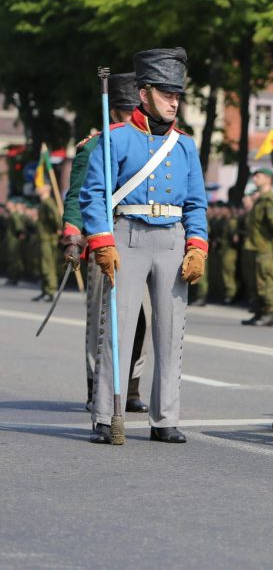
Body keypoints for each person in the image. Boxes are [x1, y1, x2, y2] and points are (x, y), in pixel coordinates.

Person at [81, 47, 208, 444]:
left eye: (178, 95)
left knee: (171, 334)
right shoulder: (116, 137)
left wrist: (197, 246)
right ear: (145, 93)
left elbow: (196, 203)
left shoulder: (184, 145)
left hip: (171, 241)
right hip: (127, 237)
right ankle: (105, 415)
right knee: (116, 332)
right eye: (167, 94)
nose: (175, 102)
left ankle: (165, 417)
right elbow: (94, 193)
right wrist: (102, 242)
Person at [61, 72, 152, 413]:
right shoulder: (96, 145)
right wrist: (72, 235)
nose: (135, 116)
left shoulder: (155, 145)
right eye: (129, 110)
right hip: (106, 238)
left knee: (142, 317)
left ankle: (130, 388)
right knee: (104, 317)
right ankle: (95, 385)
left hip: (144, 238)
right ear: (114, 112)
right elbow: (78, 195)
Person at [241, 168, 273, 326]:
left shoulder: (268, 200)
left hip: (265, 247)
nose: (255, 178)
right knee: (255, 282)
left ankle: (269, 313)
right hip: (254, 246)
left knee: (265, 279)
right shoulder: (260, 199)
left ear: (268, 179)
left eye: (258, 176)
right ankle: (258, 312)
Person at [34, 184, 61, 302]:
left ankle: (50, 290)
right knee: (42, 265)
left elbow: (55, 216)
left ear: (46, 189)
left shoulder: (48, 202)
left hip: (48, 239)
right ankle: (45, 290)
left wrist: (58, 229)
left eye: (40, 186)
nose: (37, 188)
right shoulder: (43, 202)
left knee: (48, 265)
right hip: (43, 238)